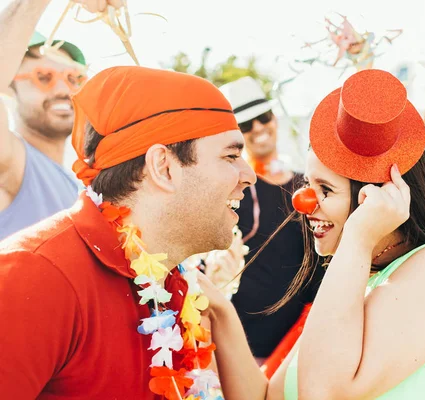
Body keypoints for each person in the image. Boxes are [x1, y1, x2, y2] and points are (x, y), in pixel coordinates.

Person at [195, 69, 425, 399]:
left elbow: (322, 392)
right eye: (308, 184)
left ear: (374, 196)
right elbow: (264, 398)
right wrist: (220, 311)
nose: (303, 203)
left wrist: (358, 237)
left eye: (326, 189)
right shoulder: (352, 281)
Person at [0, 65, 256, 399]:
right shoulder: (35, 273)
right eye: (231, 155)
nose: (248, 175)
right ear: (163, 167)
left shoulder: (177, 285)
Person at [218, 77, 323, 369]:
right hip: (250, 346)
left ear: (274, 119)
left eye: (262, 118)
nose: (258, 129)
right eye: (247, 125)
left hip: (305, 340)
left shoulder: (309, 183)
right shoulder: (234, 193)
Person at [0, 0, 92, 240]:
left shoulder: (81, 188)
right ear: (10, 85)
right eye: (44, 77)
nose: (64, 90)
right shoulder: (11, 163)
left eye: (73, 78)